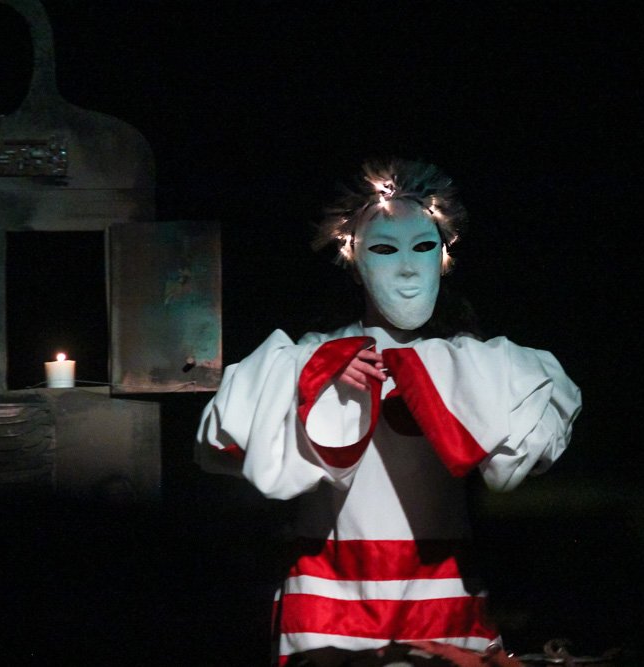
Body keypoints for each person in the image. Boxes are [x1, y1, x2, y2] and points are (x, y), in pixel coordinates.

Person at [195, 159, 582, 665]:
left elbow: (539, 428)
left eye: (423, 247)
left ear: (443, 258)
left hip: (440, 594)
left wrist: (424, 375)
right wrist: (320, 372)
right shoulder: (303, 358)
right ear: (354, 261)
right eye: (384, 249)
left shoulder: (479, 370)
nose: (407, 269)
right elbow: (219, 437)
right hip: (329, 598)